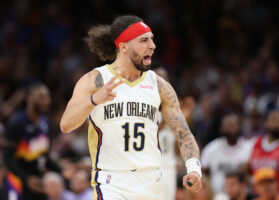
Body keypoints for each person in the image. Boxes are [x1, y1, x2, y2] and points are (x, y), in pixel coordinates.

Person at [60, 15, 202, 199]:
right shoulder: (95, 80)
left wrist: (194, 168)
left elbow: (184, 135)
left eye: (152, 39)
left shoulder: (160, 86)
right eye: (144, 40)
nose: (152, 45)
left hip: (151, 182)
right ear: (124, 47)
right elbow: (66, 125)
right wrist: (95, 99)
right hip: (112, 183)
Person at [3, 83, 61, 200]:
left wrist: (62, 170)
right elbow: (7, 159)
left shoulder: (46, 123)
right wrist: (26, 178)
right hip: (16, 182)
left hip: (37, 182)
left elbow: (44, 155)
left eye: (48, 97)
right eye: (41, 97)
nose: (47, 101)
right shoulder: (17, 122)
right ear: (29, 98)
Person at [201, 113, 254, 193]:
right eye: (227, 125)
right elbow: (203, 174)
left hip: (244, 195)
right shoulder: (211, 148)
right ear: (221, 128)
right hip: (218, 195)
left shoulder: (250, 148)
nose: (230, 128)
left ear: (240, 127)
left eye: (233, 124)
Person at [155, 66, 177, 200]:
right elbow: (148, 136)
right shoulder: (144, 108)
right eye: (158, 78)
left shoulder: (173, 110)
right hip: (150, 168)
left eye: (164, 78)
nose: (162, 82)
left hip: (169, 167)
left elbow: (177, 148)